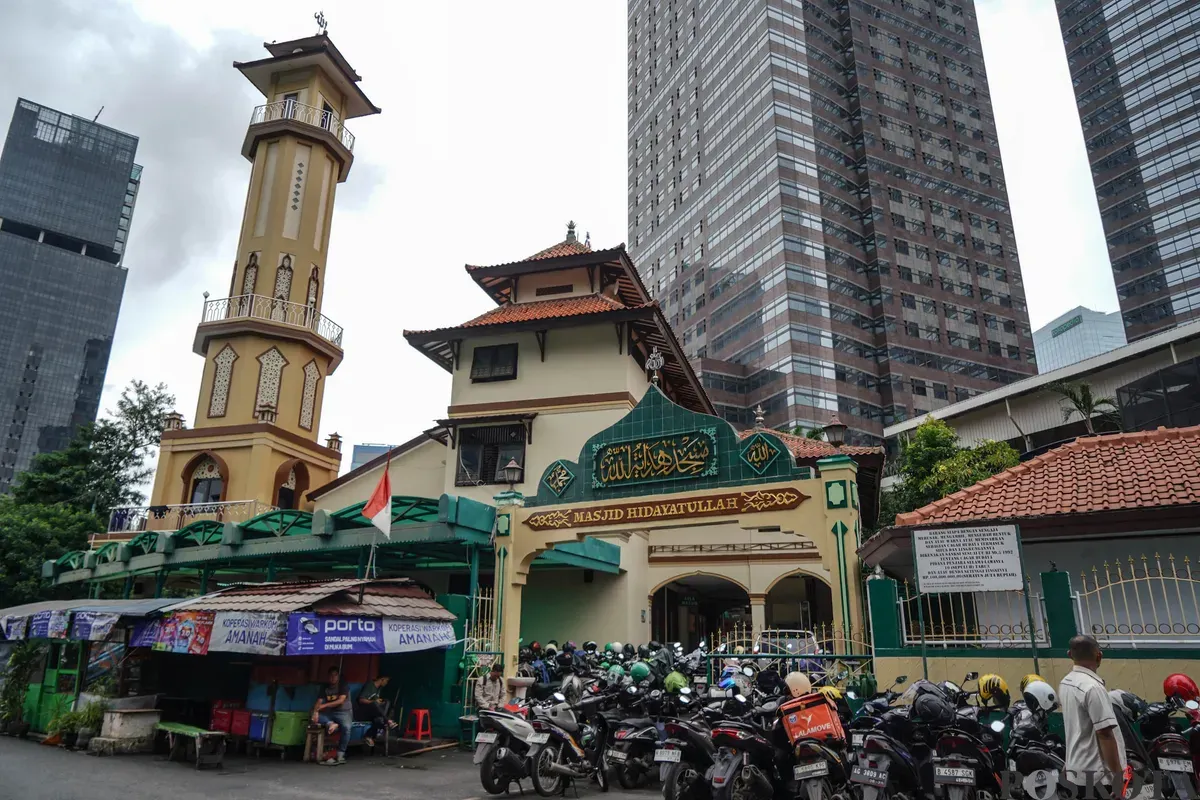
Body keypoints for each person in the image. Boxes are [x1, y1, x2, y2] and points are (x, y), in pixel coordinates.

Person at [1060, 634, 1126, 798]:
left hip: (1076, 771)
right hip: (1098, 778)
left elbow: (1075, 727)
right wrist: (1118, 779)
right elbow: (1105, 734)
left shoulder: (1065, 683)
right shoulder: (1092, 688)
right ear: (1099, 656)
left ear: (1070, 655)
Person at [311, 666, 353, 765]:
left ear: (338, 676)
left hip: (344, 712)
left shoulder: (343, 684)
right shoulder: (324, 686)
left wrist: (324, 705)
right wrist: (315, 712)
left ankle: (340, 754)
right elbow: (319, 701)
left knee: (347, 728)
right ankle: (331, 724)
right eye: (331, 675)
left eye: (335, 675)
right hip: (330, 714)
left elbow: (341, 700)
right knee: (315, 716)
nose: (333, 678)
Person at [356, 674, 398, 747]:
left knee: (386, 702)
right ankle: (388, 721)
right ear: (382, 679)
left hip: (372, 713)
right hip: (361, 713)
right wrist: (374, 702)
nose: (386, 683)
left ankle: (368, 735)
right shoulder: (370, 685)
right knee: (375, 705)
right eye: (386, 681)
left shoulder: (379, 689)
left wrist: (378, 702)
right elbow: (361, 700)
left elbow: (375, 701)